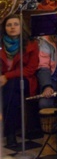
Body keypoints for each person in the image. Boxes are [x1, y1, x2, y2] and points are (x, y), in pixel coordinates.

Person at [0, 15, 39, 148]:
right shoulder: (1, 44)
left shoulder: (31, 44)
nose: (12, 27)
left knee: (11, 89)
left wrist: (7, 76)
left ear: (21, 26)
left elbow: (30, 69)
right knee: (10, 92)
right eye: (9, 25)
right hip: (2, 80)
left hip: (24, 80)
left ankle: (9, 133)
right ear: (4, 28)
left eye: (15, 24)